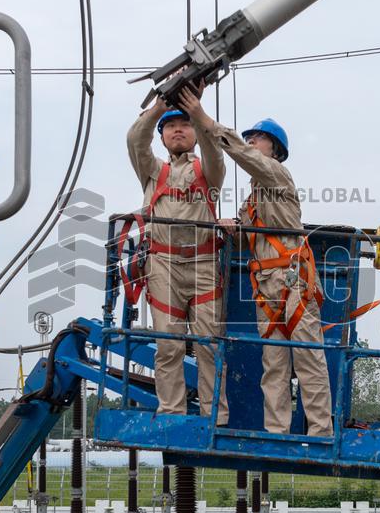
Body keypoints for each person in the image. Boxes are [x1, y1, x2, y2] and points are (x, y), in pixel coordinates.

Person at [177, 86, 333, 437]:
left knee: (308, 359)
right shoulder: (253, 199)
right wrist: (232, 227)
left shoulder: (277, 177)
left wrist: (204, 121)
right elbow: (252, 237)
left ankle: (321, 432)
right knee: (273, 364)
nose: (250, 143)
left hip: (293, 282)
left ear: (274, 150)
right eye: (248, 137)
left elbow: (244, 157)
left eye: (257, 139)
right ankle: (276, 431)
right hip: (267, 286)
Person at [126, 95, 230, 426]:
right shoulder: (153, 170)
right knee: (168, 346)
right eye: (169, 126)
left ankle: (215, 417)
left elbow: (215, 148)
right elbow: (134, 139)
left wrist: (200, 114)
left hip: (202, 264)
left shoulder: (209, 171)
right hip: (164, 265)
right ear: (161, 136)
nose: (178, 130)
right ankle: (171, 413)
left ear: (196, 131)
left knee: (209, 346)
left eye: (184, 124)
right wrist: (158, 105)